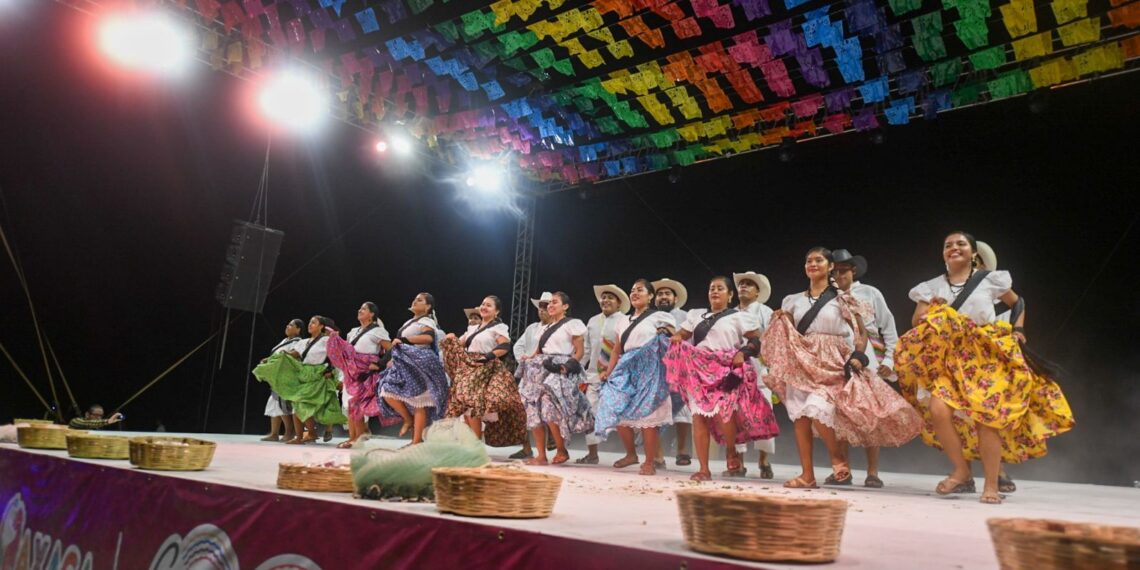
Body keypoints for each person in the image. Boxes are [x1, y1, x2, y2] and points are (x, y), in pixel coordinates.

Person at [895, 231, 1074, 504]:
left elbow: (1017, 302)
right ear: (943, 253)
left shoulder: (989, 279)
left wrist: (1019, 329)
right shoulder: (930, 287)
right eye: (948, 245)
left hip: (984, 357)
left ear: (973, 252)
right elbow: (917, 322)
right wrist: (932, 312)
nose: (954, 248)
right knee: (939, 410)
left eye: (961, 244)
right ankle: (961, 471)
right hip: (950, 359)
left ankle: (991, 485)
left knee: (986, 419)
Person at [763, 247, 921, 489]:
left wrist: (859, 354)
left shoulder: (844, 299)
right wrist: (780, 322)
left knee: (819, 406)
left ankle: (838, 457)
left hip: (832, 360)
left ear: (830, 267)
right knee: (801, 418)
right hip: (802, 362)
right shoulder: (792, 300)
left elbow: (862, 331)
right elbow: (791, 333)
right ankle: (807, 475)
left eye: (818, 260)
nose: (812, 264)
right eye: (808, 260)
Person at [665, 276, 780, 482]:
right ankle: (704, 469)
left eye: (720, 288)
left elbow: (756, 341)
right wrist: (677, 337)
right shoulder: (696, 315)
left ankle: (731, 449)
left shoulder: (739, 317)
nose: (715, 292)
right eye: (712, 288)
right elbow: (682, 334)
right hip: (698, 371)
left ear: (730, 294)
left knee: (724, 413)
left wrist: (743, 352)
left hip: (726, 369)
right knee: (698, 417)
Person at [829, 249, 900, 488]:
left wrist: (889, 361)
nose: (839, 275)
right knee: (839, 413)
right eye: (834, 271)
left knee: (870, 413)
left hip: (867, 355)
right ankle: (843, 471)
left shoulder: (870, 293)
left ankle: (873, 472)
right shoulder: (827, 296)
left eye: (843, 270)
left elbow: (888, 327)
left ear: (853, 271)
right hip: (836, 356)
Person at [594, 279, 677, 475]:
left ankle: (649, 461)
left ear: (650, 296)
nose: (635, 293)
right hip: (626, 366)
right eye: (632, 290)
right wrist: (609, 372)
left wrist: (665, 332)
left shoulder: (660, 316)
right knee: (613, 404)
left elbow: (673, 337)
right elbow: (616, 349)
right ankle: (631, 454)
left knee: (648, 415)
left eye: (640, 290)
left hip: (650, 368)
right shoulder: (623, 320)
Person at [517, 291, 593, 465]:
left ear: (565, 306)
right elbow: (539, 351)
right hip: (539, 369)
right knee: (533, 410)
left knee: (549, 408)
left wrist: (566, 367)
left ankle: (561, 449)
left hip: (558, 368)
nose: (550, 305)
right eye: (549, 303)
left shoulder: (572, 324)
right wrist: (529, 358)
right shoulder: (543, 328)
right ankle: (541, 455)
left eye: (554, 302)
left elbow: (579, 351)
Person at [442, 296, 527, 448]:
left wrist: (487, 357)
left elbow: (505, 346)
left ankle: (475, 446)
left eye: (489, 305)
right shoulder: (472, 329)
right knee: (466, 406)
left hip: (486, 368)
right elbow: (459, 345)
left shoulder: (498, 327)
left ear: (497, 311)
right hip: (469, 368)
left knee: (473, 405)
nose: (484, 307)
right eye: (483, 304)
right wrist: (451, 340)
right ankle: (471, 445)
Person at [253, 315, 348, 444]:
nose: (310, 324)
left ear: (321, 326)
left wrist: (330, 370)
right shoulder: (304, 342)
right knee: (297, 404)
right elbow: (293, 354)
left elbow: (337, 356)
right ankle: (302, 436)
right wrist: (273, 358)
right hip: (304, 375)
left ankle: (316, 432)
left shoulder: (326, 340)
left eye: (313, 323)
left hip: (318, 375)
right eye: (309, 322)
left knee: (310, 403)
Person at [376, 293, 450, 445]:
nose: (415, 301)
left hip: (421, 362)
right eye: (415, 299)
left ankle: (416, 441)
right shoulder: (410, 322)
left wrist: (405, 340)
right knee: (386, 390)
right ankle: (408, 420)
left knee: (419, 401)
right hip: (406, 362)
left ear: (428, 306)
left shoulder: (427, 321)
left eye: (420, 300)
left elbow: (428, 338)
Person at [576, 284, 631, 465]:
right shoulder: (592, 321)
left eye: (610, 297)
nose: (605, 300)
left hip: (617, 376)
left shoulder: (625, 320)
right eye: (604, 297)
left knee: (622, 415)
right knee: (589, 413)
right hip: (593, 375)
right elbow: (586, 349)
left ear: (619, 303)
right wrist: (577, 368)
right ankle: (592, 454)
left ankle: (634, 453)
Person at [326, 302, 392, 448]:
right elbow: (348, 352)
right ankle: (352, 438)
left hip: (365, 372)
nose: (360, 310)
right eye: (360, 308)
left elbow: (391, 349)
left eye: (364, 309)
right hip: (351, 372)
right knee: (350, 405)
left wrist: (380, 364)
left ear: (372, 314)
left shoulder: (378, 331)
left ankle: (358, 439)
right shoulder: (354, 331)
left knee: (357, 404)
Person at [733, 271, 777, 479]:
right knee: (735, 416)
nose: (743, 286)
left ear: (758, 292)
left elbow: (773, 341)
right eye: (741, 283)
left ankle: (763, 460)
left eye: (749, 284)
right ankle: (738, 463)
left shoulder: (765, 312)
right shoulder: (730, 313)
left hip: (759, 370)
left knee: (763, 416)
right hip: (734, 371)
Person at [653, 277, 693, 466]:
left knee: (683, 413)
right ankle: (657, 455)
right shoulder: (650, 317)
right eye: (660, 294)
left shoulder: (686, 317)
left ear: (675, 298)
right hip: (656, 369)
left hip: (681, 370)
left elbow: (691, 341)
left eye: (667, 294)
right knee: (655, 412)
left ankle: (682, 450)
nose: (663, 297)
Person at [509, 291, 554, 459]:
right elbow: (518, 346)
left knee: (547, 410)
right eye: (540, 306)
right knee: (522, 410)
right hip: (529, 374)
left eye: (545, 306)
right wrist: (524, 360)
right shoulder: (531, 328)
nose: (542, 309)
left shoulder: (556, 328)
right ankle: (527, 447)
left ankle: (555, 446)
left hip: (547, 374)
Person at [260, 319, 305, 442]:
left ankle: (289, 433)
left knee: (283, 404)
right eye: (288, 324)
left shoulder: (299, 342)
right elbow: (278, 354)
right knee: (275, 403)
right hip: (278, 376)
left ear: (298, 329)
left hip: (287, 376)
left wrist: (271, 360)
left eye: (291, 325)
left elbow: (290, 356)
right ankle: (274, 433)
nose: (287, 326)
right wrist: (268, 360)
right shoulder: (285, 341)